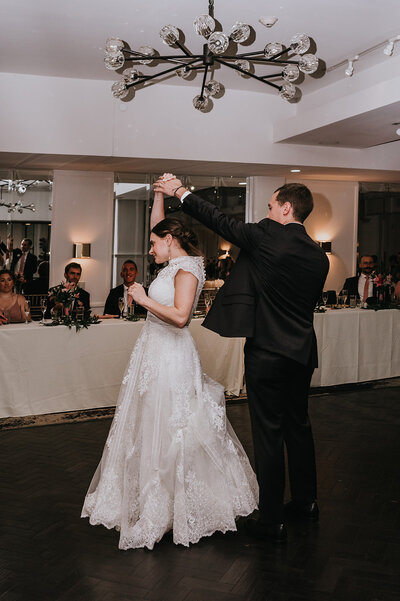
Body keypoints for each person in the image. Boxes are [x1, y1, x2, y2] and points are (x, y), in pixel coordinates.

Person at [81, 179, 258, 550]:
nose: (150, 247)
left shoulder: (187, 271)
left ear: (170, 241)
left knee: (173, 429)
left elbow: (180, 317)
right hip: (152, 353)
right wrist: (159, 193)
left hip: (173, 357)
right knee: (148, 426)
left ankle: (175, 507)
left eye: (154, 242)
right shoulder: (172, 261)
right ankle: (151, 500)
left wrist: (144, 299)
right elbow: (156, 226)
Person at [155, 176, 329, 543]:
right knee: (299, 425)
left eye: (269, 206)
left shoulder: (266, 236)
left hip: (267, 351)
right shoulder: (317, 255)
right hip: (301, 352)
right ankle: (306, 501)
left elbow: (219, 220)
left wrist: (180, 191)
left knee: (268, 433)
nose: (266, 213)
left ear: (285, 208)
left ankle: (271, 519)